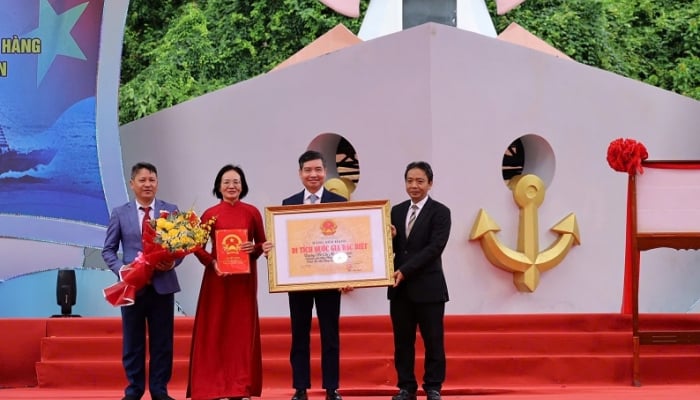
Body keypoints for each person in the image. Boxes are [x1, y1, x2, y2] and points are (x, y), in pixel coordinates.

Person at [263, 150, 348, 400]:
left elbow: (347, 242)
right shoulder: (288, 204)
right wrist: (272, 252)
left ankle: (332, 388)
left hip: (330, 281)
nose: (313, 175)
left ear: (325, 172)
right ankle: (300, 388)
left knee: (330, 335)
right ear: (300, 174)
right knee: (299, 334)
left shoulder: (339, 203)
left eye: (318, 170)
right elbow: (283, 241)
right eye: (308, 170)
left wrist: (350, 273)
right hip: (298, 281)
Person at [187, 164, 267, 400]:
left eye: (236, 182)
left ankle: (240, 387)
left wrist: (255, 249)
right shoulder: (210, 214)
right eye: (226, 182)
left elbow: (261, 243)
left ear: (243, 186)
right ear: (218, 186)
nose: (232, 186)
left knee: (241, 333)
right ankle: (212, 386)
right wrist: (212, 263)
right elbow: (196, 246)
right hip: (217, 281)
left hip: (244, 282)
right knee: (215, 331)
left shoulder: (252, 212)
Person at [102, 162, 180, 400]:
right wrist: (122, 269)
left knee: (162, 342)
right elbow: (108, 250)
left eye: (152, 180)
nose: (148, 184)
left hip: (162, 285)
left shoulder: (171, 210)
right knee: (133, 341)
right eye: (143, 180)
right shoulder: (120, 213)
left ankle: (159, 390)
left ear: (157, 183)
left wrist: (173, 262)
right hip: (132, 288)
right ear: (132, 183)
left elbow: (180, 247)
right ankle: (134, 390)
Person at [388, 161, 451, 400]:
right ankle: (406, 387)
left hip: (429, 288)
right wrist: (390, 238)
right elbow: (392, 249)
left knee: (433, 339)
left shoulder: (441, 212)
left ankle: (433, 387)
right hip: (400, 289)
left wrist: (404, 270)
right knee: (402, 341)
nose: (414, 186)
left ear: (430, 183)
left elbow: (434, 248)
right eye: (410, 181)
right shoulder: (395, 211)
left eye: (420, 181)